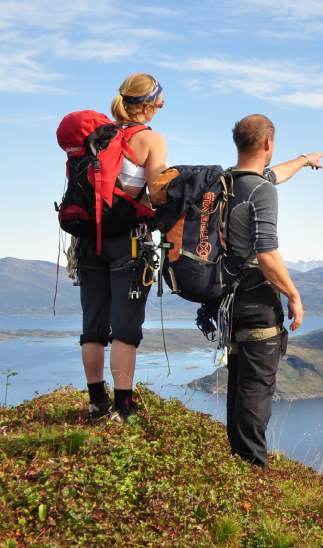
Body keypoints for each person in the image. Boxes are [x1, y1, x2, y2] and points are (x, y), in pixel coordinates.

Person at [224, 113, 323, 467]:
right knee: (255, 390)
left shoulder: (223, 184)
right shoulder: (261, 190)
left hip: (224, 301)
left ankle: (238, 466)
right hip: (255, 301)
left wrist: (303, 160)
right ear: (267, 143)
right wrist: (293, 295)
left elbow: (275, 172)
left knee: (238, 383)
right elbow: (266, 252)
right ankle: (253, 473)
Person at [79, 73, 169, 420]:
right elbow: (157, 192)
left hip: (88, 238)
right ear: (148, 103)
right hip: (127, 241)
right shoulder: (151, 139)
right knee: (125, 328)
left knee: (93, 325)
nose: (162, 105)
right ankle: (124, 407)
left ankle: (95, 401)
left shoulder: (97, 136)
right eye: (160, 99)